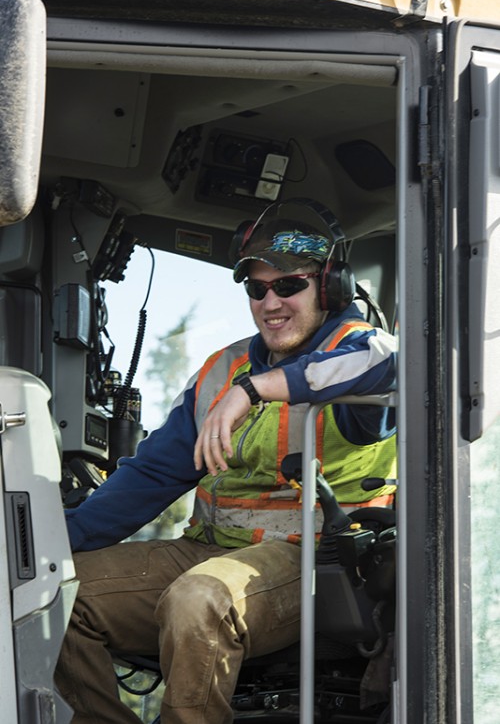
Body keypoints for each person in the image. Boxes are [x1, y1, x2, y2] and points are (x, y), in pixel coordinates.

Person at [55, 199, 397, 724]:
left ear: (330, 286)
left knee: (200, 600)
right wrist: (54, 542)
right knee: (48, 588)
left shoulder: (363, 351)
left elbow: (387, 364)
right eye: (257, 289)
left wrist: (254, 391)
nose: (270, 302)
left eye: (288, 285)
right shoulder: (222, 368)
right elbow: (151, 477)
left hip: (314, 563)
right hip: (207, 551)